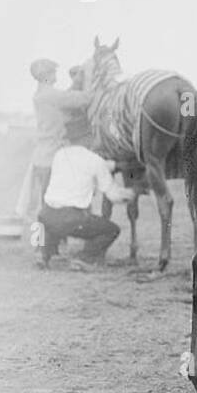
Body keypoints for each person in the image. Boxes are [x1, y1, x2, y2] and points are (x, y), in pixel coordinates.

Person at [37, 117, 132, 269]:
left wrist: (110, 166)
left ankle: (42, 253)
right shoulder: (95, 160)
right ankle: (85, 258)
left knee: (43, 222)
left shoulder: (59, 155)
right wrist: (130, 193)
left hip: (46, 216)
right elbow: (113, 195)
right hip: (71, 219)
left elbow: (80, 167)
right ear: (89, 138)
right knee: (112, 230)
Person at [28, 58, 92, 217]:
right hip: (52, 155)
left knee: (46, 200)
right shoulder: (50, 94)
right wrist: (92, 85)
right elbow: (81, 99)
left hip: (43, 155)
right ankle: (46, 238)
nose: (56, 74)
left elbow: (65, 95)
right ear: (46, 76)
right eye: (53, 72)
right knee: (50, 201)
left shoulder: (43, 93)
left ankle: (46, 238)